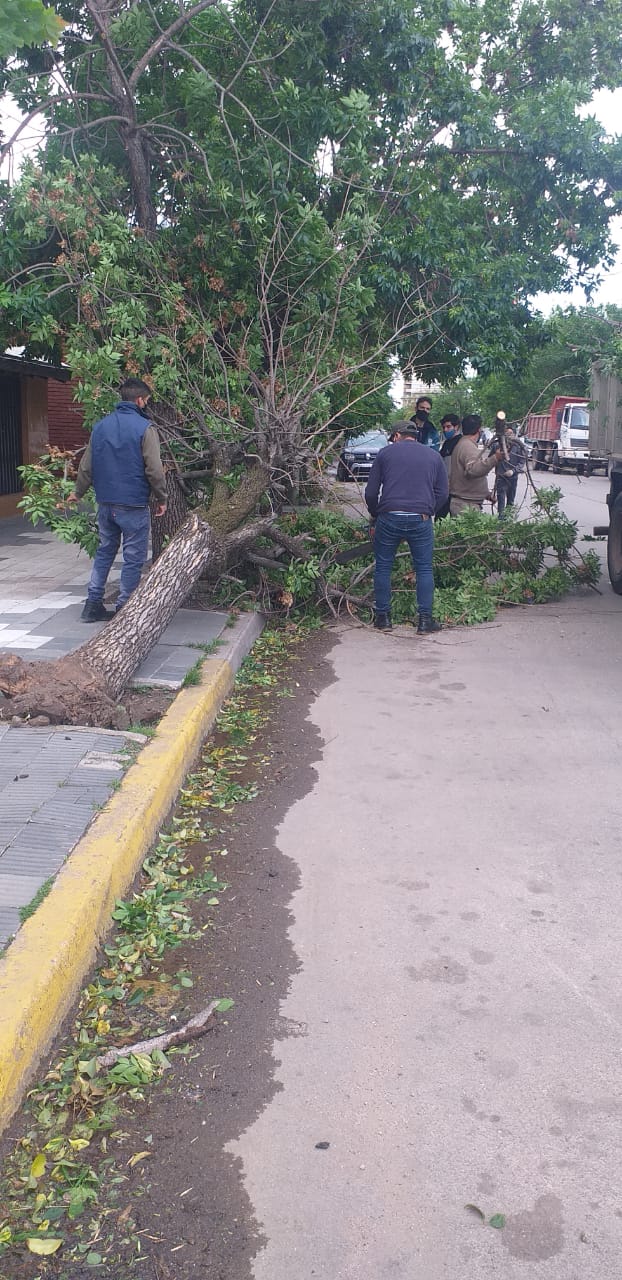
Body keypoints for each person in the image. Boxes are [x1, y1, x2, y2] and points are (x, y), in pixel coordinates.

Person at [67, 378, 167, 622]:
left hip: (106, 503)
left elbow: (86, 466)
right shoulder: (145, 428)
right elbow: (154, 468)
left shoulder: (100, 427)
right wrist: (162, 496)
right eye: (147, 401)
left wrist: (78, 492)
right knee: (133, 558)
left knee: (104, 552)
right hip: (133, 504)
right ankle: (124, 609)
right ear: (140, 400)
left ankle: (92, 605)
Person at [364, 420, 449, 633]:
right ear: (415, 436)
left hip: (389, 516)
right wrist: (428, 510)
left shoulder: (385, 454)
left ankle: (383, 618)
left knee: (383, 566)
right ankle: (424, 621)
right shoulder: (433, 456)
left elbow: (371, 492)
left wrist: (376, 514)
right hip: (420, 519)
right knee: (423, 568)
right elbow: (443, 493)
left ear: (396, 436)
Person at [449, 414, 502, 515]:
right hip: (465, 505)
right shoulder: (468, 447)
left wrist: (485, 494)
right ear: (478, 430)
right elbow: (473, 470)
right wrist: (495, 458)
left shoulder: (464, 444)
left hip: (464, 503)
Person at [489, 424, 528, 517]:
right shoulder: (497, 446)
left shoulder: (519, 447)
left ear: (514, 434)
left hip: (512, 478)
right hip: (501, 478)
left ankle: (508, 520)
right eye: (506, 433)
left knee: (510, 501)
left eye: (510, 433)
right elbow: (489, 459)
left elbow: (522, 463)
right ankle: (500, 520)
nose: (508, 436)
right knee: (501, 500)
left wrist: (513, 471)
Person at [437, 413, 462, 519]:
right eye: (444, 427)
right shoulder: (447, 443)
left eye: (448, 427)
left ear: (456, 427)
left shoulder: (461, 443)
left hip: (456, 489)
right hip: (445, 488)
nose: (446, 430)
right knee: (439, 518)